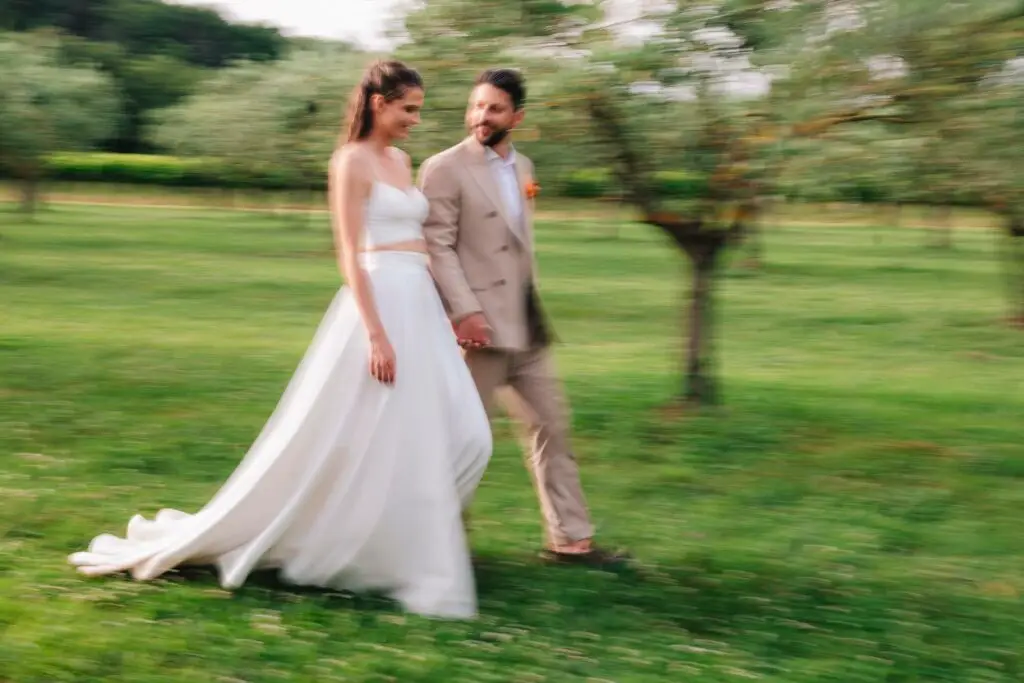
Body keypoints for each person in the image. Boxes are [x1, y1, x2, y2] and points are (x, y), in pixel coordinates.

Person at [68, 60, 492, 619]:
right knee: (377, 436)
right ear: (378, 103)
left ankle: (390, 539)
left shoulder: (401, 160)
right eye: (408, 109)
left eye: (418, 109)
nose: (416, 119)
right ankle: (378, 550)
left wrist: (448, 312)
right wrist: (376, 335)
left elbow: (418, 241)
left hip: (421, 306)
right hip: (380, 305)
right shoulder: (350, 161)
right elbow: (349, 252)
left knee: (470, 435)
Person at [418, 68, 627, 568]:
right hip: (475, 331)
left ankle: (571, 542)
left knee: (553, 427)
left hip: (527, 324)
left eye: (494, 108)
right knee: (463, 440)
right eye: (476, 106)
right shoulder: (443, 168)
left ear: (517, 117)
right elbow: (436, 247)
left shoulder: (524, 167)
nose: (481, 116)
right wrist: (465, 312)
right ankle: (437, 545)